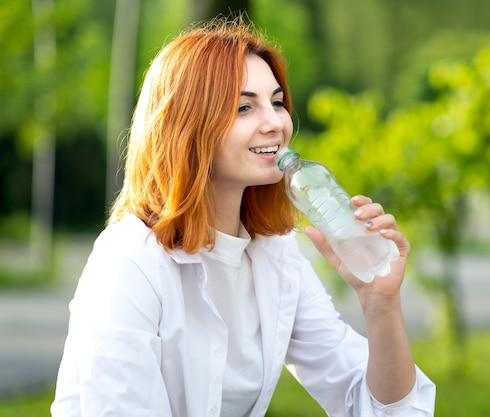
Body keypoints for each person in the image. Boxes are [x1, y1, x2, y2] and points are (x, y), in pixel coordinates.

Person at [51, 15, 435, 417]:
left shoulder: (275, 256)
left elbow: (382, 409)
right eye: (244, 107)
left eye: (277, 102)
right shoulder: (130, 259)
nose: (274, 123)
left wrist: (380, 303)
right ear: (188, 126)